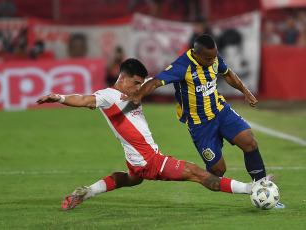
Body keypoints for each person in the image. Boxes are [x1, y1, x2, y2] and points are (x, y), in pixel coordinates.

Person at [37, 58, 259, 211]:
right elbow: (84, 100)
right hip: (148, 159)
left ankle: (88, 191)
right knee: (196, 172)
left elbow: (158, 79)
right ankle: (251, 189)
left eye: (140, 84)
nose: (138, 89)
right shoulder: (108, 96)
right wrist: (59, 97)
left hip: (136, 159)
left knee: (130, 180)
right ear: (122, 79)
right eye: (135, 83)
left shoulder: (132, 91)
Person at [122, 36, 285, 209]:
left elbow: (227, 73)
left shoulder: (212, 56)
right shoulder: (182, 66)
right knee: (218, 171)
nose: (213, 60)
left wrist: (245, 91)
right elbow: (155, 81)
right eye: (208, 58)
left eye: (214, 57)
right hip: (200, 125)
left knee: (250, 142)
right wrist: (139, 95)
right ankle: (204, 176)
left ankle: (262, 189)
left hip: (220, 111)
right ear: (196, 53)